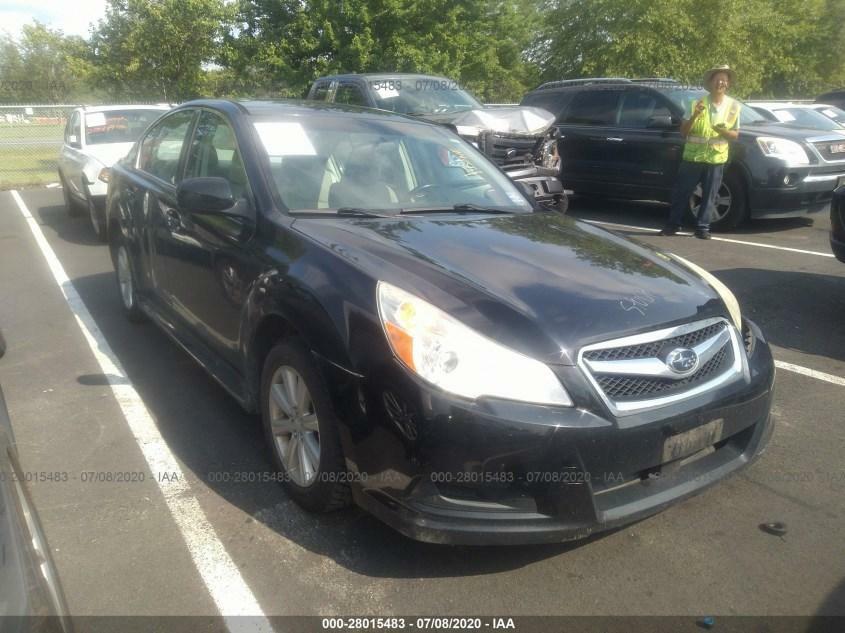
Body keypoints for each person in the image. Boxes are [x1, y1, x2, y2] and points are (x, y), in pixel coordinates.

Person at [661, 65, 741, 239]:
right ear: (711, 83)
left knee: (710, 195)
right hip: (693, 156)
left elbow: (735, 135)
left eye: (724, 80)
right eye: (718, 79)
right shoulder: (697, 104)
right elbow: (684, 131)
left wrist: (723, 132)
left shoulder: (734, 106)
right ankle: (673, 224)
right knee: (682, 192)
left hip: (716, 157)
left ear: (727, 85)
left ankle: (702, 228)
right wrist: (694, 116)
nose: (721, 83)